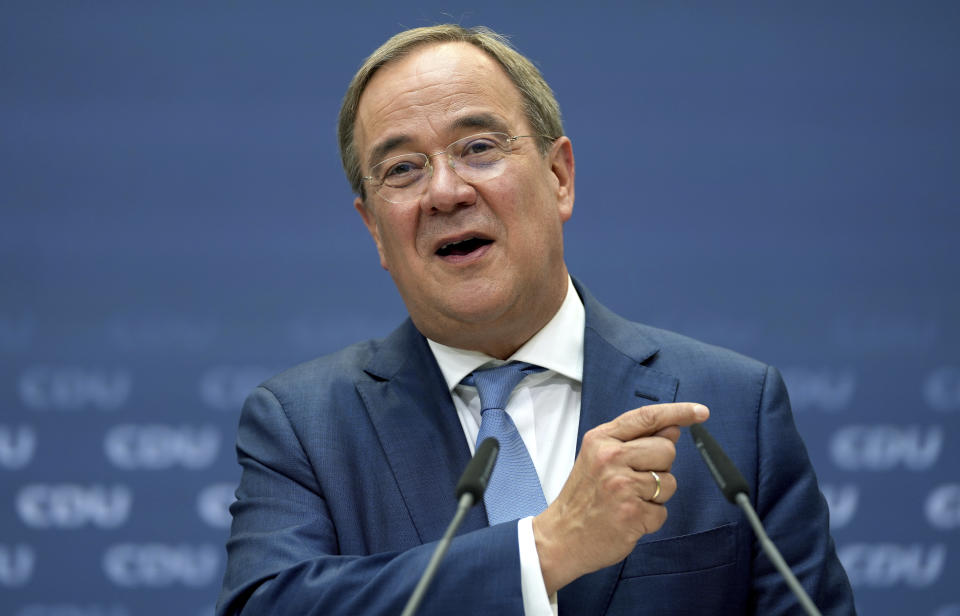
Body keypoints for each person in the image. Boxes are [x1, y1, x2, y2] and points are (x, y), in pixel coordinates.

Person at [216, 24, 855, 615]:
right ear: (374, 231)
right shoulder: (303, 424)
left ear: (559, 178)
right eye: (403, 169)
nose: (446, 192)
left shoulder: (735, 407)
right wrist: (542, 552)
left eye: (479, 147)